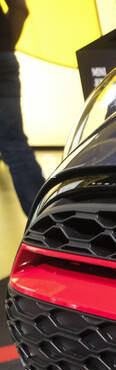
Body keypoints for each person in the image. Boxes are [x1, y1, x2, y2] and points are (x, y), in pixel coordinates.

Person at [0, 0, 45, 216]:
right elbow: (20, 8)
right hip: (3, 58)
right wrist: (5, 47)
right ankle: (46, 224)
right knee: (15, 146)